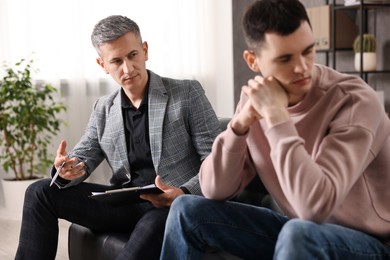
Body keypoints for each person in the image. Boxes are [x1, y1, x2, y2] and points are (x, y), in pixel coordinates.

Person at [159, 0, 390, 259]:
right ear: (252, 61)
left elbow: (315, 206)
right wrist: (238, 127)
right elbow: (215, 189)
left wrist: (278, 119)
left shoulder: (354, 100)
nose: (303, 67)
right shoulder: (256, 101)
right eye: (285, 59)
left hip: (371, 243)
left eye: (308, 51)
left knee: (298, 233)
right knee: (186, 210)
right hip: (299, 230)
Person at [15, 15, 220, 260]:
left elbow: (216, 161)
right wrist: (67, 170)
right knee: (39, 192)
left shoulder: (186, 93)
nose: (128, 68)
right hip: (125, 203)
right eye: (116, 60)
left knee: (152, 226)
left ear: (145, 50)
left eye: (133, 55)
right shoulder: (103, 108)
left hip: (173, 202)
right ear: (103, 65)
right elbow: (83, 158)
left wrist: (184, 192)